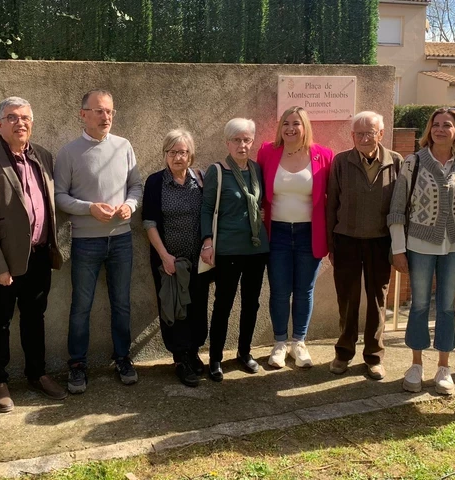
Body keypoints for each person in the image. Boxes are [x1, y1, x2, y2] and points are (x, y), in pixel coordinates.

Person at [0, 97, 67, 413]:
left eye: (25, 117)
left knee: (35, 318)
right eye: (11, 117)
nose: (19, 123)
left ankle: (37, 374)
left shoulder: (44, 158)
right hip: (5, 261)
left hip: (39, 256)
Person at [54, 89, 143, 394]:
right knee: (81, 306)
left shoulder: (124, 146)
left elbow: (136, 186)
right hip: (85, 242)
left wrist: (130, 206)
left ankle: (122, 358)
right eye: (100, 111)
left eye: (110, 112)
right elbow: (60, 197)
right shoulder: (68, 153)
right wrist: (89, 208)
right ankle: (77, 365)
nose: (106, 117)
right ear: (83, 114)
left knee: (121, 304)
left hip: (121, 240)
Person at [388, 107, 455, 395]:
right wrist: (398, 249)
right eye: (435, 125)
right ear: (429, 130)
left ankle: (444, 367)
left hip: (454, 246)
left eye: (447, 125)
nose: (440, 129)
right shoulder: (413, 163)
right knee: (420, 304)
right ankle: (415, 364)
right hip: (419, 245)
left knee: (448, 306)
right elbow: (397, 208)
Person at [326, 111, 403, 380]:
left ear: (380, 134)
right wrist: (330, 244)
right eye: (358, 133)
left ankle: (373, 356)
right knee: (347, 299)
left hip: (381, 241)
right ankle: (343, 352)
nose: (363, 138)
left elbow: (401, 206)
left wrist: (398, 246)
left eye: (369, 132)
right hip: (346, 240)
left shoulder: (395, 162)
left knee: (376, 300)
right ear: (352, 136)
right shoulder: (341, 162)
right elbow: (331, 203)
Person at [257, 106, 334, 369]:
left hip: (308, 233)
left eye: (296, 124)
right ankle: (279, 343)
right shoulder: (268, 151)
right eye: (286, 123)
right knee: (279, 290)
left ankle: (299, 342)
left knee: (304, 291)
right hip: (276, 232)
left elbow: (329, 199)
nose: (290, 128)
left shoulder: (322, 155)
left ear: (305, 127)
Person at [200, 118, 270, 381]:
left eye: (247, 140)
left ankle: (244, 352)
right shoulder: (217, 171)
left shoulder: (257, 169)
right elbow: (206, 209)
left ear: (252, 142)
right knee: (224, 304)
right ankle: (216, 357)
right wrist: (207, 242)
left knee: (252, 303)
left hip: (256, 248)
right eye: (237, 140)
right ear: (227, 143)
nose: (242, 145)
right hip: (228, 249)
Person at [142, 129, 209, 387]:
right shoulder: (156, 182)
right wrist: (164, 256)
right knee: (175, 308)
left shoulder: (200, 180)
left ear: (190, 154)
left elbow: (209, 214)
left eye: (182, 152)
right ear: (165, 155)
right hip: (170, 260)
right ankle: (180, 358)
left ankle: (193, 350)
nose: (177, 157)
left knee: (198, 305)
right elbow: (149, 222)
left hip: (199, 260)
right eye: (172, 152)